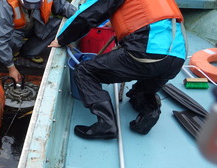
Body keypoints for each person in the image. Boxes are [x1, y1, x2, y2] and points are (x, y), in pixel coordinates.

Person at [48, 0, 187, 139]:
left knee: (85, 71)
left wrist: (62, 39)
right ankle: (151, 110)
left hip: (146, 53)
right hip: (177, 58)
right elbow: (149, 19)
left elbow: (88, 14)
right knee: (139, 94)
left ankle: (106, 124)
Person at [0, 0, 76, 83]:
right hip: (13, 30)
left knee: (59, 25)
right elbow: (0, 38)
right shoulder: (6, 2)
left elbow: (63, 6)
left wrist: (80, 16)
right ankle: (13, 52)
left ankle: (29, 51)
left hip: (35, 24)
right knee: (11, 41)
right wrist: (11, 68)